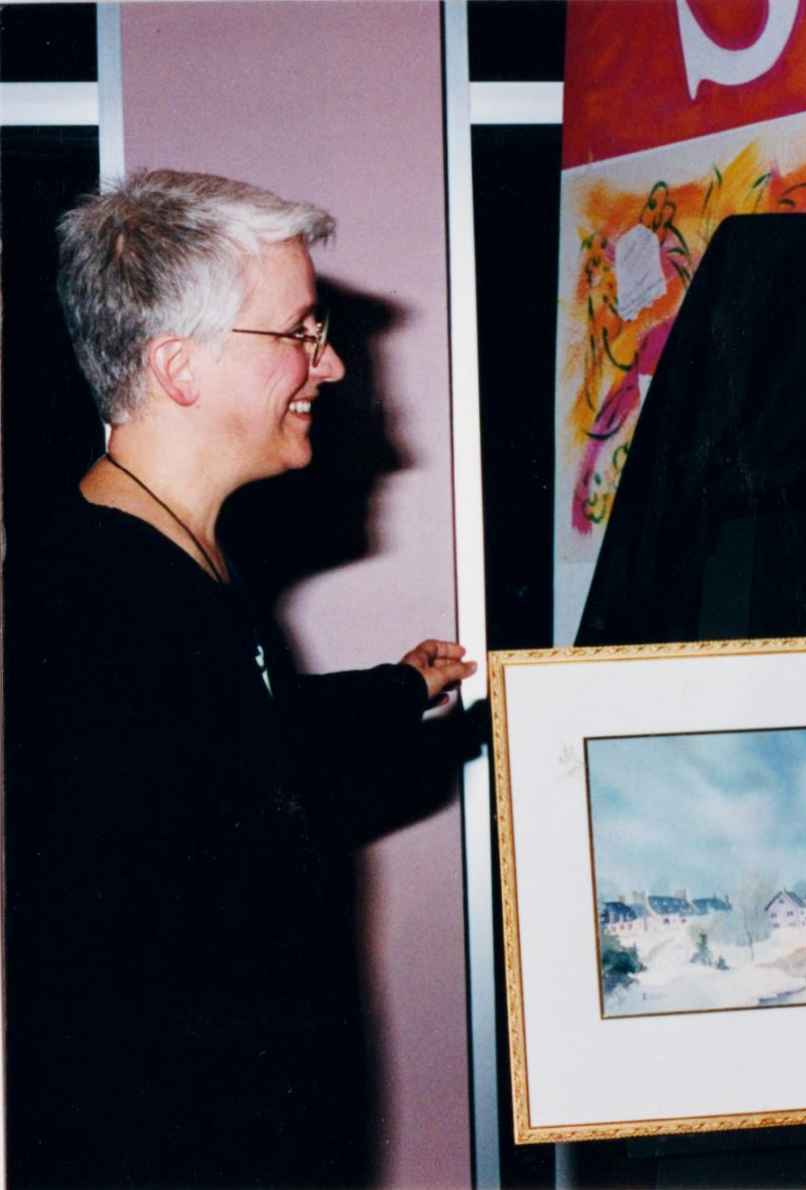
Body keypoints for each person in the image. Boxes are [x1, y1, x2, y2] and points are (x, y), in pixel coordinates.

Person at [5, 170, 476, 1187]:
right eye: (299, 332)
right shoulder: (93, 608)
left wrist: (396, 689)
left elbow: (236, 738)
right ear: (179, 366)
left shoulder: (170, 564)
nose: (331, 364)